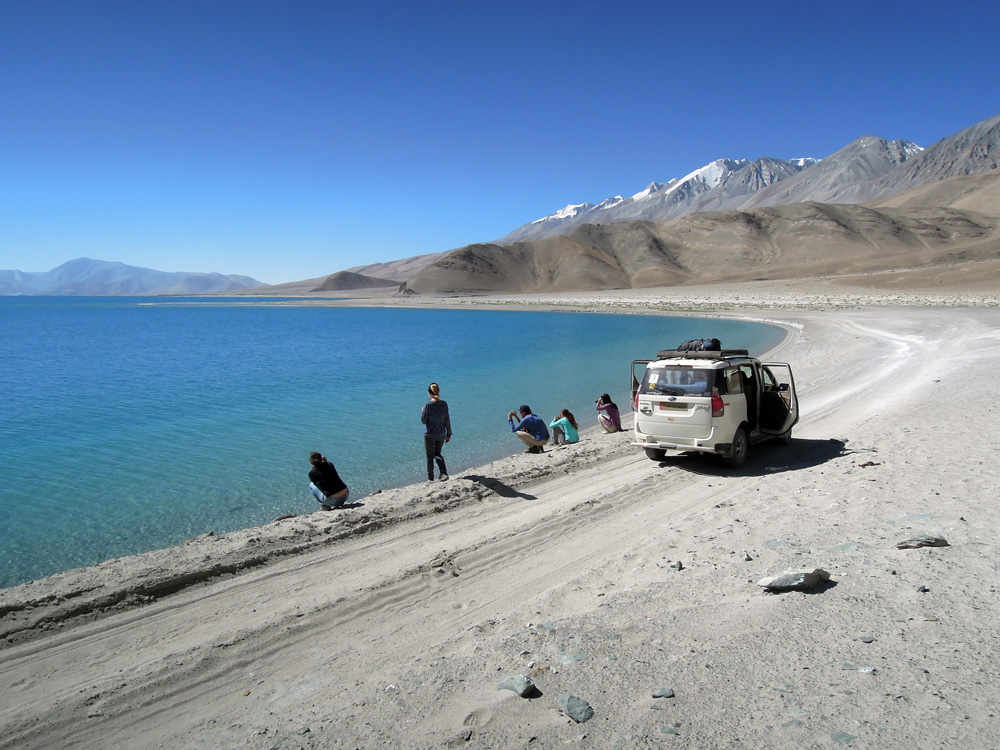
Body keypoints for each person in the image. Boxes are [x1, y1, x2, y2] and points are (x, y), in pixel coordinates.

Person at [421, 382, 452, 482]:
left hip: (430, 434)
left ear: (429, 393)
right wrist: (449, 434)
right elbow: (447, 420)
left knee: (430, 456)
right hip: (441, 434)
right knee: (438, 453)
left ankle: (430, 478)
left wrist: (423, 411)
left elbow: (423, 421)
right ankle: (443, 472)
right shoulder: (444, 404)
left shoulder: (428, 405)